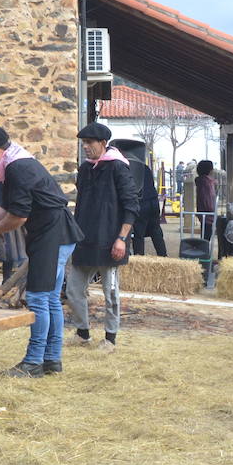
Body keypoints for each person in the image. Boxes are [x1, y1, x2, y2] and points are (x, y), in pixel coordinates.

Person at [0, 125, 82, 377]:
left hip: (52, 234)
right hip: (57, 232)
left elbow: (18, 217)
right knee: (50, 298)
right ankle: (52, 359)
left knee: (38, 298)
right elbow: (6, 207)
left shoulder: (17, 168)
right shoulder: (15, 164)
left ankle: (33, 362)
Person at [68, 122, 139, 351]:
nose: (85, 147)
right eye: (83, 143)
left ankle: (110, 338)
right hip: (85, 239)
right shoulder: (86, 169)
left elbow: (131, 206)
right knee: (74, 289)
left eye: (89, 143)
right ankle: (83, 333)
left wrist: (122, 238)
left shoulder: (118, 167)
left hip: (110, 240)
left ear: (102, 143)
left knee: (110, 292)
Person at [129, 153, 167, 257]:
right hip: (153, 202)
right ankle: (163, 256)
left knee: (138, 234)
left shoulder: (129, 168)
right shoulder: (145, 167)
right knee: (156, 231)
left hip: (141, 203)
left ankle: (139, 259)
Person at [194, 159, 217, 240]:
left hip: (203, 212)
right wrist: (212, 210)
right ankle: (204, 252)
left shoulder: (202, 181)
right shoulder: (206, 183)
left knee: (205, 235)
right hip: (208, 214)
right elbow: (208, 199)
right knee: (206, 237)